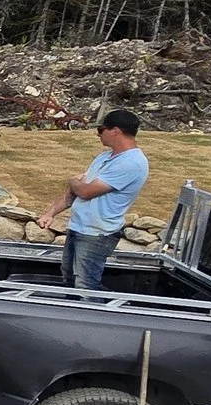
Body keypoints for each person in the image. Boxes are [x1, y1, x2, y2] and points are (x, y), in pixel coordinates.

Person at [44, 108, 150, 291]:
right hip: (79, 228)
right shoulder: (104, 157)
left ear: (115, 131)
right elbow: (76, 190)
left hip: (97, 234)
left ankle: (101, 310)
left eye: (101, 130)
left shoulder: (131, 163)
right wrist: (50, 213)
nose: (98, 134)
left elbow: (85, 191)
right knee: (69, 279)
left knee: (86, 285)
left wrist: (73, 181)